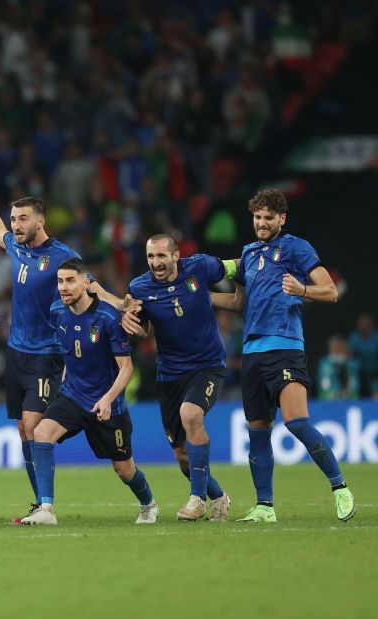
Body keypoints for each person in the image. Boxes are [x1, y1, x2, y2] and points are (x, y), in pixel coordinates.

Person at [0, 166, 126, 523]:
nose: (15, 225)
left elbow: (91, 287)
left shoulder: (62, 256)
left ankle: (46, 505)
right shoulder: (16, 247)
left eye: (23, 219)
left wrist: (121, 305)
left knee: (33, 423)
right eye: (14, 219)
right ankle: (40, 503)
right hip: (17, 352)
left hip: (47, 354)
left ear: (41, 221)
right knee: (23, 429)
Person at [213, 188, 355, 522]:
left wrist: (302, 289)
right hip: (252, 352)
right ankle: (265, 506)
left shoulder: (296, 247)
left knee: (297, 422)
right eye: (257, 217)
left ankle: (340, 488)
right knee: (258, 431)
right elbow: (238, 302)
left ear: (282, 219)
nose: (262, 223)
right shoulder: (249, 253)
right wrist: (199, 298)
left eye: (268, 217)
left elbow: (330, 291)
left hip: (286, 347)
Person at [24, 258, 158, 526]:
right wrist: (64, 382)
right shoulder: (57, 312)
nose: (63, 287)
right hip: (72, 397)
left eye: (70, 281)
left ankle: (148, 503)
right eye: (60, 281)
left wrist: (108, 399)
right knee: (41, 432)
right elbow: (70, 353)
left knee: (124, 469)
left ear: (86, 283)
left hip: (106, 406)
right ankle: (46, 508)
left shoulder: (107, 318)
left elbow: (127, 368)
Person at [122, 235, 232, 521]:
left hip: (207, 364)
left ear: (175, 255)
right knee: (183, 457)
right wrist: (130, 323)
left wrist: (252, 287)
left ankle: (197, 500)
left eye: (161, 256)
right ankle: (219, 497)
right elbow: (143, 331)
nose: (155, 262)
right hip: (170, 374)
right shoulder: (139, 287)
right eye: (150, 256)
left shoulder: (200, 267)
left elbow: (238, 267)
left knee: (191, 414)